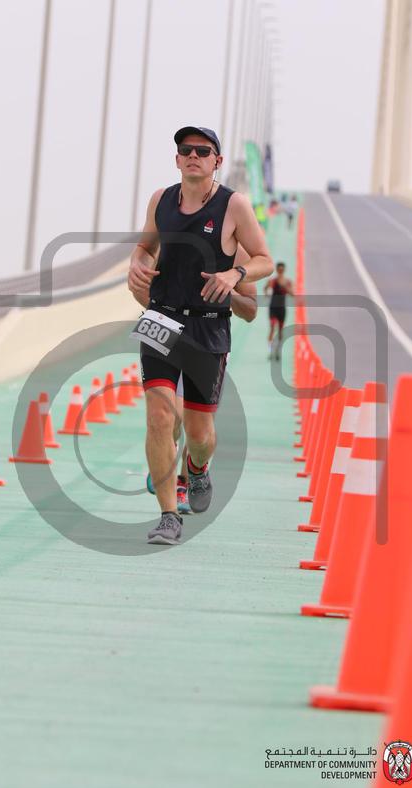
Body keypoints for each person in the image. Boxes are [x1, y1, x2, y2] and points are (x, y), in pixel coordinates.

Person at [128, 125, 274, 545]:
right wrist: (136, 264)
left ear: (217, 161)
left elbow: (264, 259)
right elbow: (144, 247)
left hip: (207, 326)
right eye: (185, 149)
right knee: (159, 417)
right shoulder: (161, 200)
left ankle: (197, 468)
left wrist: (235, 274)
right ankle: (168, 515)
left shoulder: (234, 206)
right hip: (161, 319)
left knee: (199, 434)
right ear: (177, 159)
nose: (193, 155)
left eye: (202, 150)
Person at [134, 270, 258, 514]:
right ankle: (164, 462)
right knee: (168, 417)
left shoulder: (236, 254)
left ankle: (186, 478)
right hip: (166, 328)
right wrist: (164, 307)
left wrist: (226, 290)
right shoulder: (165, 244)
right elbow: (137, 285)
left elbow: (250, 310)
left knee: (196, 429)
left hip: (206, 337)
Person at [263, 261, 294, 360]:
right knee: (272, 327)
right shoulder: (273, 281)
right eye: (279, 270)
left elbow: (292, 294)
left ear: (284, 270)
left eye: (282, 270)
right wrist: (266, 293)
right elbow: (265, 288)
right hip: (273, 308)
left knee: (280, 331)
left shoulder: (288, 282)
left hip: (282, 308)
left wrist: (286, 288)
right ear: (277, 270)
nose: (280, 272)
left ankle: (278, 351)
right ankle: (271, 351)